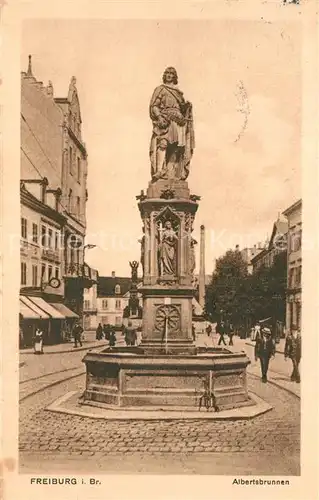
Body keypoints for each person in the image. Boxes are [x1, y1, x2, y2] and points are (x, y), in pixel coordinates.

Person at [149, 67, 195, 182]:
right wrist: (159, 117)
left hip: (178, 121)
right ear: (164, 75)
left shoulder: (178, 93)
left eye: (172, 74)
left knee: (177, 148)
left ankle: (172, 173)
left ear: (175, 77)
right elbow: (154, 106)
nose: (169, 75)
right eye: (167, 73)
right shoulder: (161, 89)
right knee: (163, 143)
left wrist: (187, 107)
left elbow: (182, 109)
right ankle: (159, 170)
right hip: (166, 119)